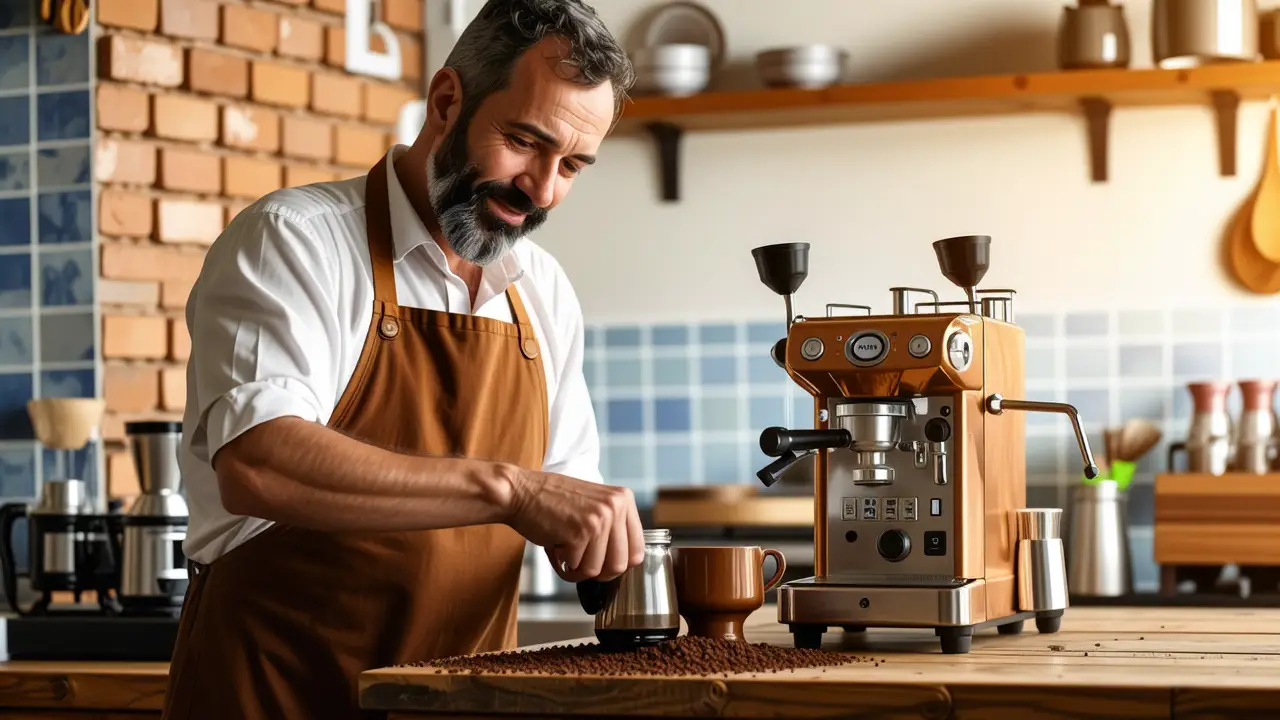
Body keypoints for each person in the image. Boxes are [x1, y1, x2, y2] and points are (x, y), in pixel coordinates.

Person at [160, 1, 640, 717]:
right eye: (523, 141)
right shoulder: (295, 242)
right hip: (272, 699)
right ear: (447, 101)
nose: (541, 189)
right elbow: (258, 463)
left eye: (571, 164)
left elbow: (569, 503)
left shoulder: (542, 291)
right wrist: (510, 491)